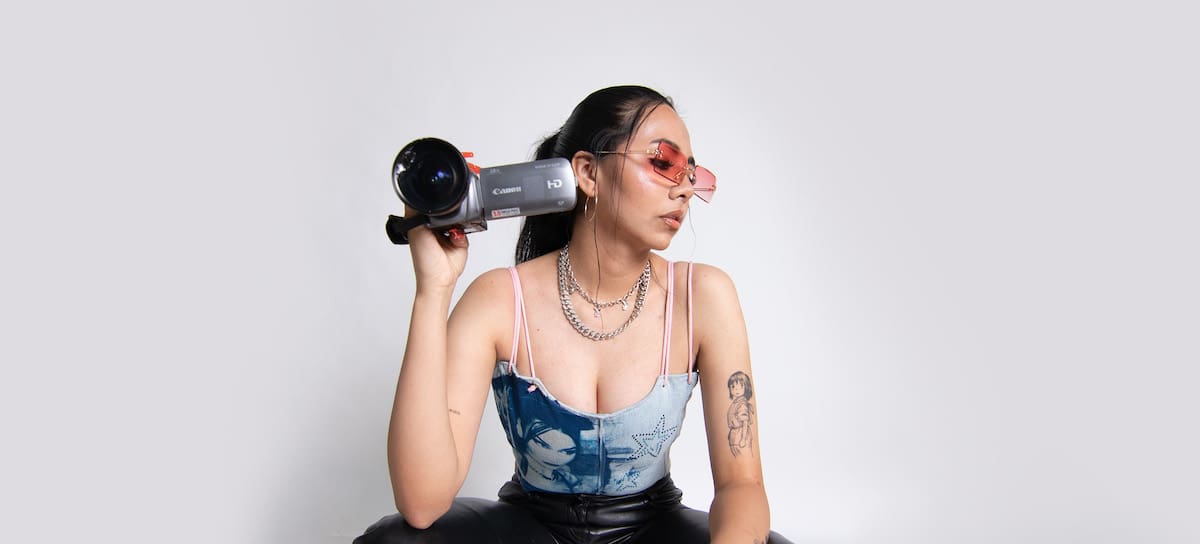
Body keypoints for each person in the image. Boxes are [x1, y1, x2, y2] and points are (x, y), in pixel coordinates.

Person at [356, 85, 791, 543]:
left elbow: (742, 485)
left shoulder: (702, 295)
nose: (684, 189)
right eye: (663, 162)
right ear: (587, 172)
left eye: (692, 174)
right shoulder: (500, 300)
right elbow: (421, 504)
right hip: (531, 529)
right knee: (395, 540)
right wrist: (433, 290)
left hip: (651, 528)